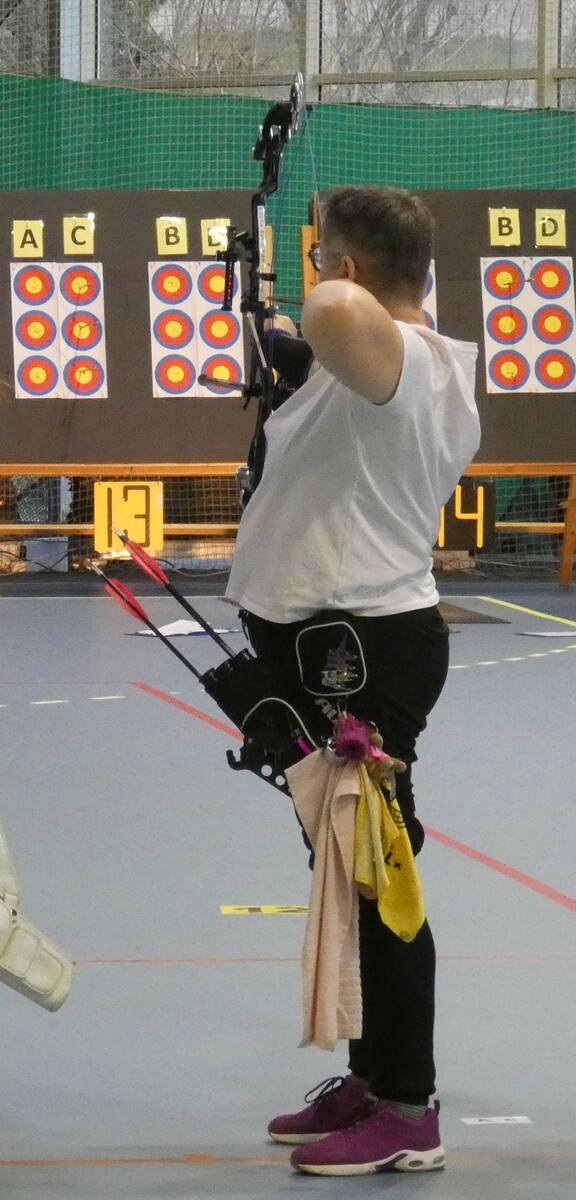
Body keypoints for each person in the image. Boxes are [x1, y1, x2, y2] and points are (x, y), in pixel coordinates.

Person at [225, 185, 481, 1177]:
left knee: (382, 880)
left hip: (363, 652)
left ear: (354, 269)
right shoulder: (386, 368)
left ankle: (408, 1107)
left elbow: (337, 312)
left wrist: (315, 304)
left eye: (323, 258)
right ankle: (373, 1077)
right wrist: (293, 351)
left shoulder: (408, 362)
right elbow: (334, 335)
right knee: (352, 870)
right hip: (340, 644)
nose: (315, 279)